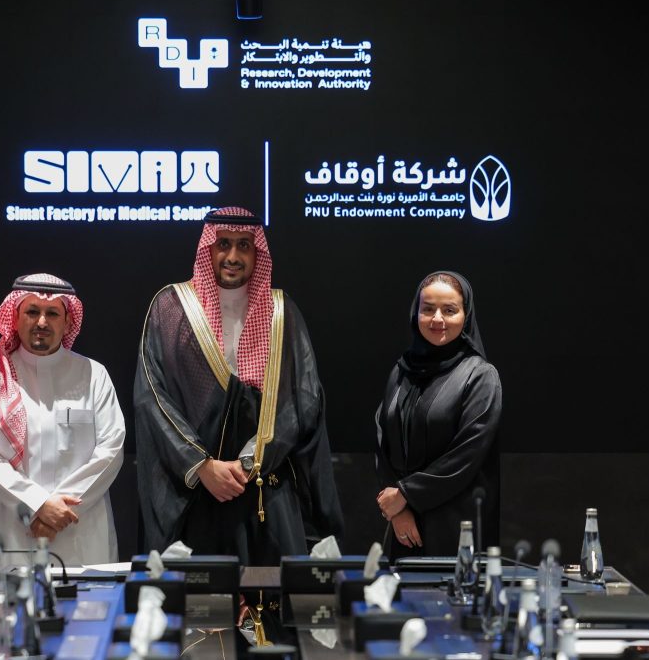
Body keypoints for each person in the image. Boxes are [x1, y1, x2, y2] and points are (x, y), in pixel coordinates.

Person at [135, 207, 343, 564]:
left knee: (272, 591)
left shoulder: (282, 311)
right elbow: (153, 397)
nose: (233, 256)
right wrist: (202, 466)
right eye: (224, 244)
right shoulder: (171, 307)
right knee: (202, 595)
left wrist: (252, 460)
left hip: (267, 487)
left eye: (244, 245)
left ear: (257, 252)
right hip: (198, 492)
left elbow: (303, 399)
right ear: (208, 248)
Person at [0, 273, 125, 565]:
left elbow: (111, 450)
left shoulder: (93, 375)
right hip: (12, 532)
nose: (41, 322)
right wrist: (37, 504)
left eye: (52, 313)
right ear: (15, 317)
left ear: (68, 321)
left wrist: (58, 513)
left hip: (79, 531)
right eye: (32, 311)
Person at [374, 271, 501, 558]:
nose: (437, 319)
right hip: (403, 526)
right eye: (428, 309)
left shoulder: (480, 376)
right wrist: (397, 509)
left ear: (466, 316)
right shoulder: (401, 371)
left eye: (450, 310)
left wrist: (405, 495)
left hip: (456, 529)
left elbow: (467, 455)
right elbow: (383, 439)